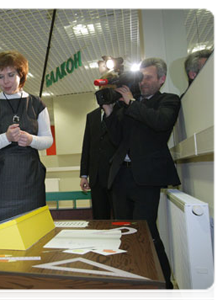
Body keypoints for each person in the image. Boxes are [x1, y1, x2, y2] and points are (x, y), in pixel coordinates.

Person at [103, 57, 181, 300]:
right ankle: (132, 286)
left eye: (148, 77)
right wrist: (109, 112)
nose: (143, 81)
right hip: (121, 177)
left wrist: (132, 103)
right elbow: (117, 139)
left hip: (147, 180)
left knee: (147, 235)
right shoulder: (128, 105)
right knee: (123, 235)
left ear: (161, 79)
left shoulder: (168, 100)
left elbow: (161, 123)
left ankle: (163, 289)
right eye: (142, 77)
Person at [0, 50, 53, 226]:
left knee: (33, 232)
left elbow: (48, 140)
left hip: (31, 183)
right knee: (1, 238)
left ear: (21, 75)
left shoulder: (37, 104)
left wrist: (31, 140)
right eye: (0, 77)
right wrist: (6, 138)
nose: (6, 81)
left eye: (10, 75)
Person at [79, 73, 117, 219]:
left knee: (121, 218)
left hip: (117, 177)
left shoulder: (123, 112)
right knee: (100, 218)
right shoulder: (92, 116)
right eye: (102, 89)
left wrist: (111, 112)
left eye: (108, 90)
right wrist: (84, 175)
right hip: (96, 178)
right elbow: (87, 146)